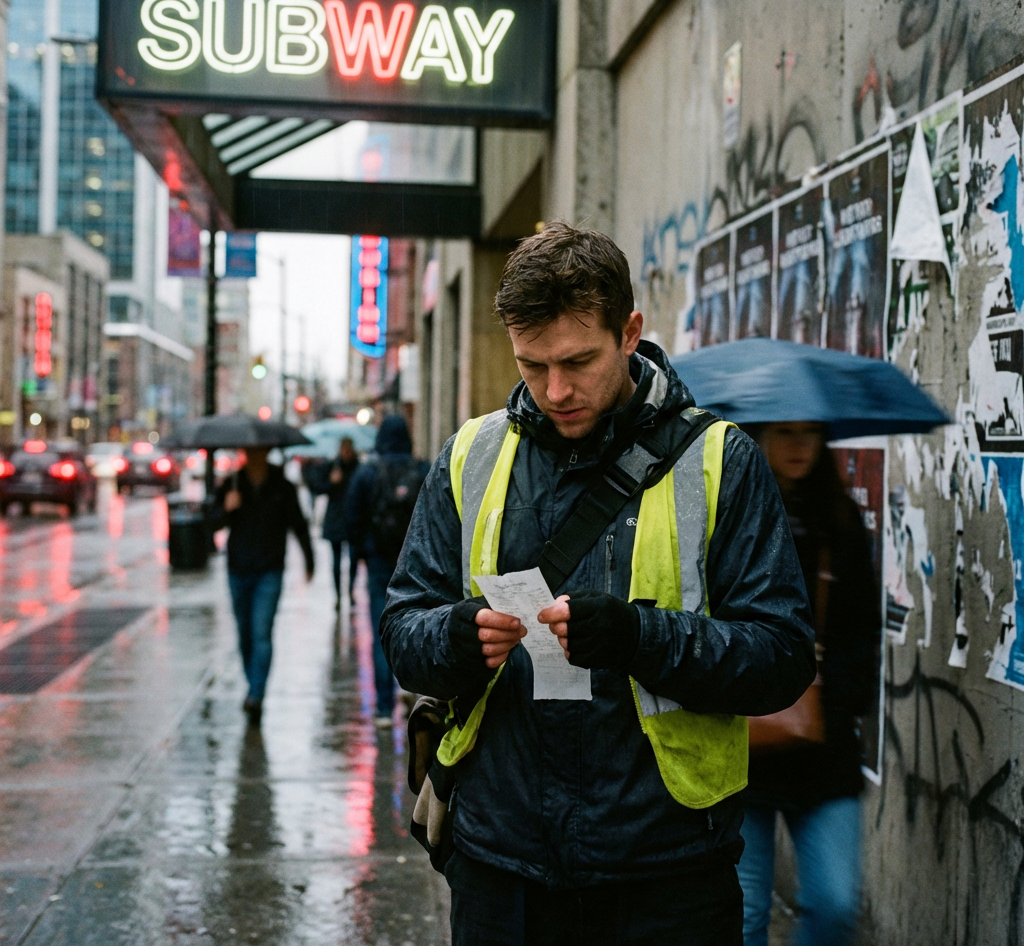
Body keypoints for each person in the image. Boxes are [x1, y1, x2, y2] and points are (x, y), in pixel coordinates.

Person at [380, 221, 816, 946]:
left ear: (630, 331)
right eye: (532, 365)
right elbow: (402, 633)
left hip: (665, 871)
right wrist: (457, 636)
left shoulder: (721, 461)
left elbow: (781, 657)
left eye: (578, 361)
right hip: (500, 868)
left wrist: (639, 636)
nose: (556, 389)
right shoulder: (469, 456)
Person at [737, 422, 880, 946]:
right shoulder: (733, 518)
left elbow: (861, 636)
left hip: (825, 748)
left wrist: (836, 703)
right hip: (743, 748)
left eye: (810, 435)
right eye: (786, 433)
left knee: (834, 902)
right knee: (746, 914)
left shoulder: (840, 525)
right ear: (761, 438)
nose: (799, 447)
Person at [211, 445, 315, 726]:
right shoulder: (233, 482)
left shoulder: (282, 485)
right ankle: (253, 685)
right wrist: (225, 508)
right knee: (244, 633)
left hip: (270, 569)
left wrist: (309, 560)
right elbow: (211, 523)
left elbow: (298, 524)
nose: (256, 456)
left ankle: (256, 694)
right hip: (238, 569)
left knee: (261, 632)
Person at [346, 414, 427, 729]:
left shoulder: (367, 472)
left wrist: (362, 552)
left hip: (379, 563)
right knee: (417, 628)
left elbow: (353, 519)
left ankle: (382, 707)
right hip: (415, 565)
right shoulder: (421, 470)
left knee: (382, 632)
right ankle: (413, 692)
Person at [304, 436, 360, 610]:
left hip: (353, 520)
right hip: (336, 520)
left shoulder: (359, 468)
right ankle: (337, 596)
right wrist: (331, 482)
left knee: (353, 560)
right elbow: (317, 487)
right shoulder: (332, 466)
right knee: (335, 562)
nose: (345, 454)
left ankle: (350, 591)